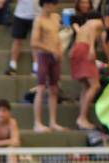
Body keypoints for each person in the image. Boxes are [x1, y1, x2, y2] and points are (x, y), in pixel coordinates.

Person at [32, 0, 66, 132]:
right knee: (41, 89)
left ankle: (53, 122)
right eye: (52, 4)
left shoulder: (56, 17)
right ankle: (37, 123)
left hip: (55, 57)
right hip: (43, 56)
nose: (55, 6)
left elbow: (56, 36)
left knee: (54, 89)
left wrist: (59, 49)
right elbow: (34, 43)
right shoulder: (38, 21)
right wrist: (51, 50)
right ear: (45, 4)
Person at [70, 13, 105, 130]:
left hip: (77, 49)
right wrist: (92, 47)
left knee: (86, 86)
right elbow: (94, 27)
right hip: (84, 48)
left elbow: (78, 36)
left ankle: (82, 118)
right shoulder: (96, 22)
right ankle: (82, 117)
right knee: (95, 85)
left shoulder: (83, 26)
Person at [6, 0, 37, 75]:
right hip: (20, 15)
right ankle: (12, 65)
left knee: (35, 42)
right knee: (17, 40)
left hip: (37, 15)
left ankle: (37, 67)